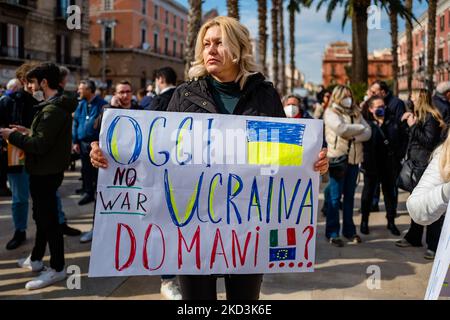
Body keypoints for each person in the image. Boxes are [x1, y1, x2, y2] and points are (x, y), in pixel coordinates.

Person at [89, 16, 329, 300]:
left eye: (219, 43)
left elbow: (283, 158)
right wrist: (112, 156)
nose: (210, 50)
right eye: (206, 44)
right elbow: (157, 154)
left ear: (239, 48)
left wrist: (311, 164)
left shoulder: (264, 95)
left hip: (247, 227)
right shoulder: (184, 94)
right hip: (192, 230)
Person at [0, 63, 76, 289]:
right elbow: (44, 138)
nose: (30, 87)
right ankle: (35, 259)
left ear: (44, 83)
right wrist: (27, 132)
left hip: (45, 172)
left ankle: (58, 268)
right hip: (44, 171)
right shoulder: (52, 106)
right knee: (42, 217)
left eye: (32, 83)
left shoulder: (52, 110)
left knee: (49, 221)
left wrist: (12, 136)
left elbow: (40, 145)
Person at [395, 89, 447, 260]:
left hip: (424, 166)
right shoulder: (419, 116)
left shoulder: (430, 117)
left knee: (432, 207)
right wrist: (407, 124)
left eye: (413, 96)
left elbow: (428, 141)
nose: (410, 98)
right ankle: (414, 237)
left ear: (420, 99)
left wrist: (413, 126)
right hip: (416, 164)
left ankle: (433, 245)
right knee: (417, 203)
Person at [324, 85, 371, 247]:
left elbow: (369, 132)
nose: (348, 98)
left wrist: (354, 137)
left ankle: (349, 230)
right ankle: (332, 232)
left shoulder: (356, 112)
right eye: (345, 95)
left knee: (349, 198)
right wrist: (360, 129)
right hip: (338, 159)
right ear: (337, 97)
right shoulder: (331, 112)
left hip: (354, 160)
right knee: (335, 198)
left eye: (349, 95)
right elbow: (341, 129)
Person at [0, 63, 38, 250]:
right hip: (15, 158)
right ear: (25, 81)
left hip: (40, 157)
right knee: (19, 198)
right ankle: (20, 231)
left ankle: (57, 225)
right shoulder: (7, 102)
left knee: (49, 196)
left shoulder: (43, 102)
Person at [360, 96, 401, 236]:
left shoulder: (391, 121)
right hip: (371, 165)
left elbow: (397, 140)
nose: (381, 109)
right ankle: (364, 221)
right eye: (378, 106)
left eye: (383, 106)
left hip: (388, 165)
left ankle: (391, 222)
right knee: (367, 194)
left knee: (390, 195)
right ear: (371, 109)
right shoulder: (366, 123)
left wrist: (384, 123)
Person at [73, 80, 107, 207]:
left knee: (97, 171)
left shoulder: (102, 104)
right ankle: (88, 192)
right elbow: (76, 122)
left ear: (89, 90)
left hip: (97, 145)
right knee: (85, 169)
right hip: (82, 143)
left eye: (81, 89)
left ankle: (99, 195)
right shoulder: (81, 104)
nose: (78, 91)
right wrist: (75, 141)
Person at [406, 132, 450, 226]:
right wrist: (447, 190)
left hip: (421, 162)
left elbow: (429, 139)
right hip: (419, 165)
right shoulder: (445, 154)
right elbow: (416, 209)